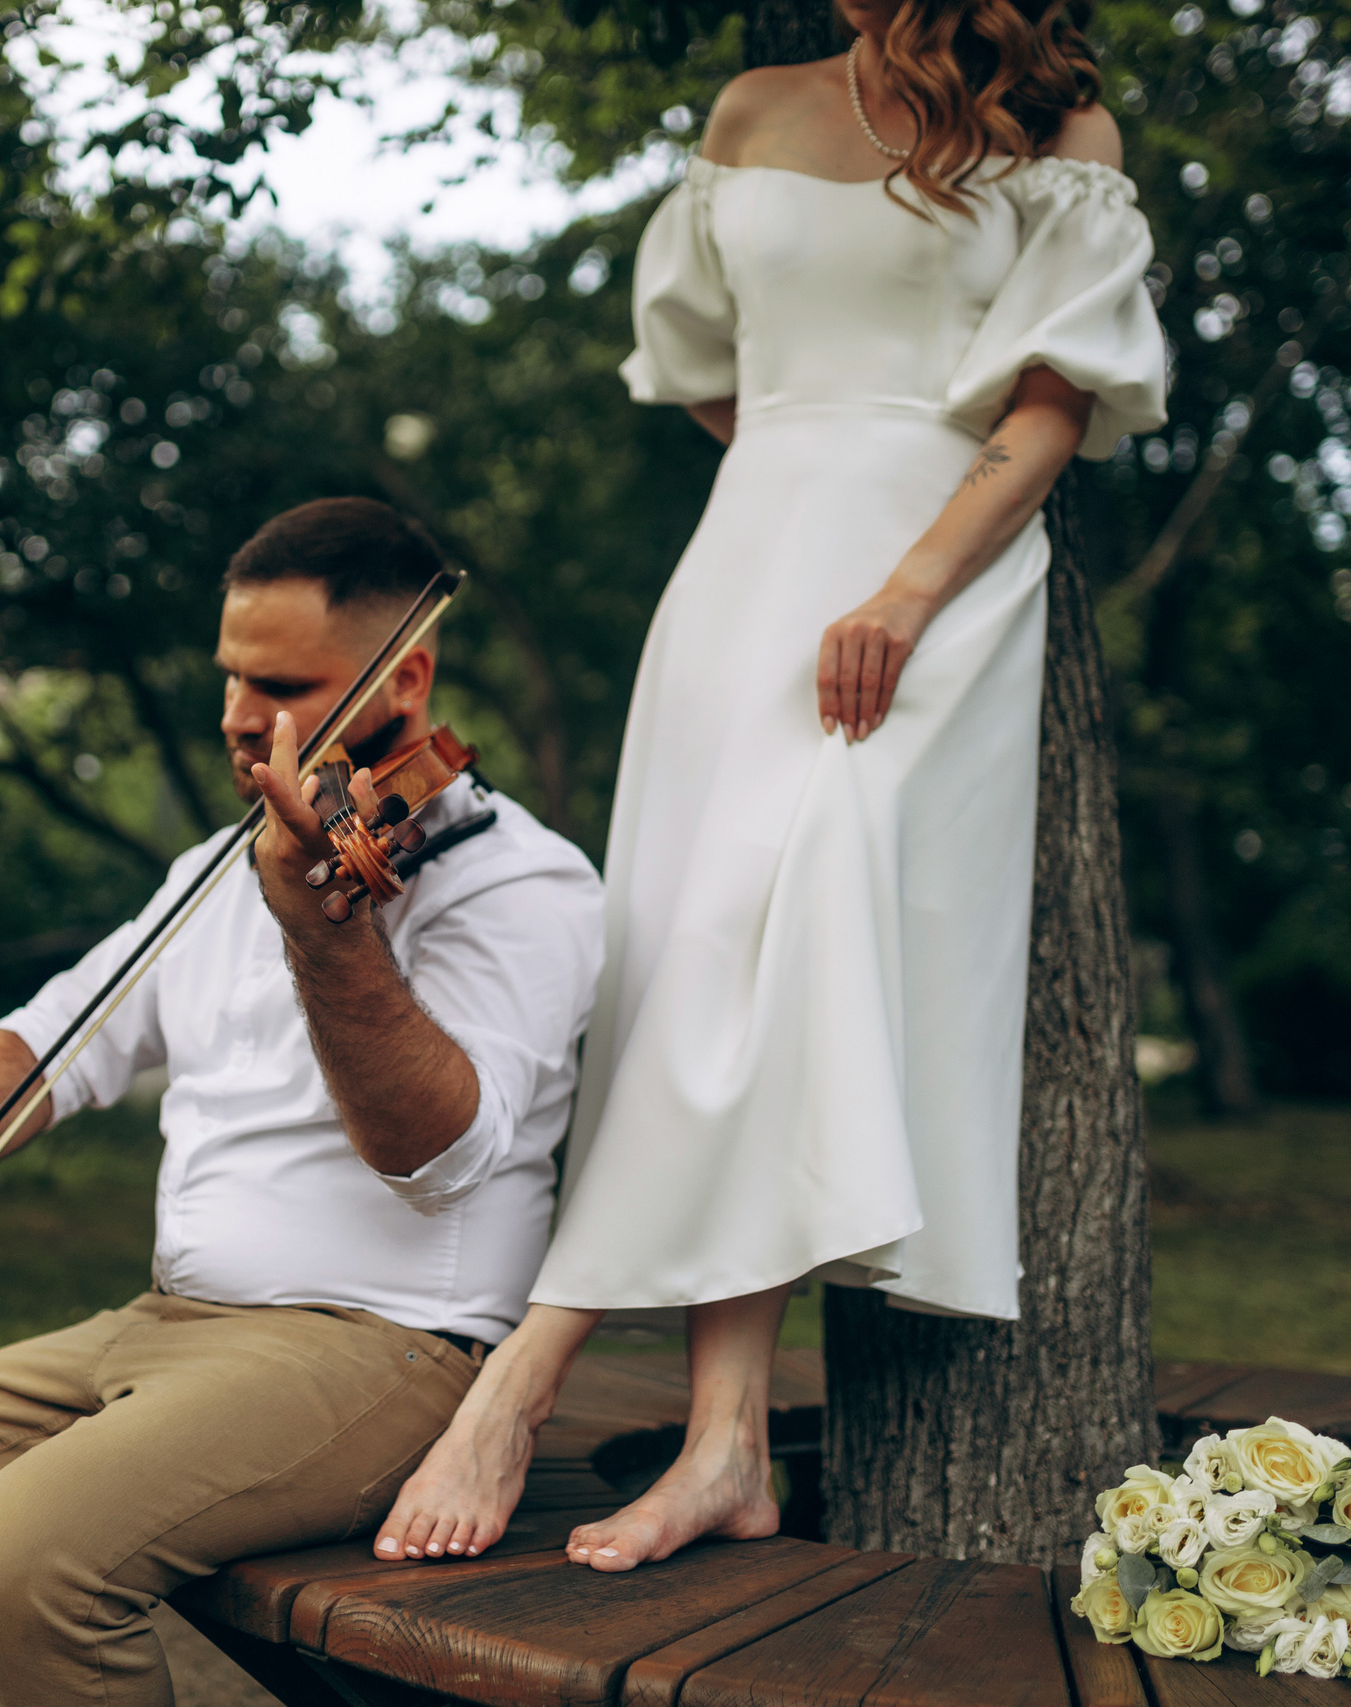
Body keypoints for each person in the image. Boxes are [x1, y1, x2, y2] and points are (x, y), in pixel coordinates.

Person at [374, 0, 1167, 1571]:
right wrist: (803, 464)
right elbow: (705, 371)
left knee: (788, 929)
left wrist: (901, 583)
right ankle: (726, 1440)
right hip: (748, 559)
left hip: (935, 578)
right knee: (704, 946)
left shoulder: (1062, 126)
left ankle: (525, 1373)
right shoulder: (749, 108)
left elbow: (1055, 404)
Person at [0, 497, 604, 1706]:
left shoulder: (521, 885)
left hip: (385, 1348)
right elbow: (52, 1036)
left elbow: (436, 1155)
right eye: (227, 678)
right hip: (166, 1325)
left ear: (402, 679)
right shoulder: (215, 866)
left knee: (32, 1545)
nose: (239, 720)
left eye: (283, 683)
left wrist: (319, 927)